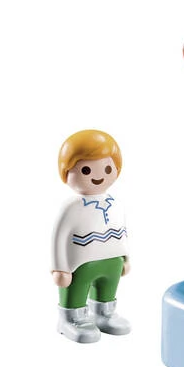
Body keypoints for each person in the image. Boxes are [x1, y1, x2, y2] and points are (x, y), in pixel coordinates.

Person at [51, 130, 131, 343]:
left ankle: (105, 314)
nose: (98, 176)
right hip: (80, 264)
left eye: (107, 168)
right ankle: (71, 319)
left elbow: (122, 231)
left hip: (112, 261)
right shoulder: (71, 207)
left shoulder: (115, 204)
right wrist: (60, 268)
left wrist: (125, 258)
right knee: (76, 291)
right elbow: (58, 238)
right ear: (66, 171)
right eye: (85, 170)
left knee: (108, 290)